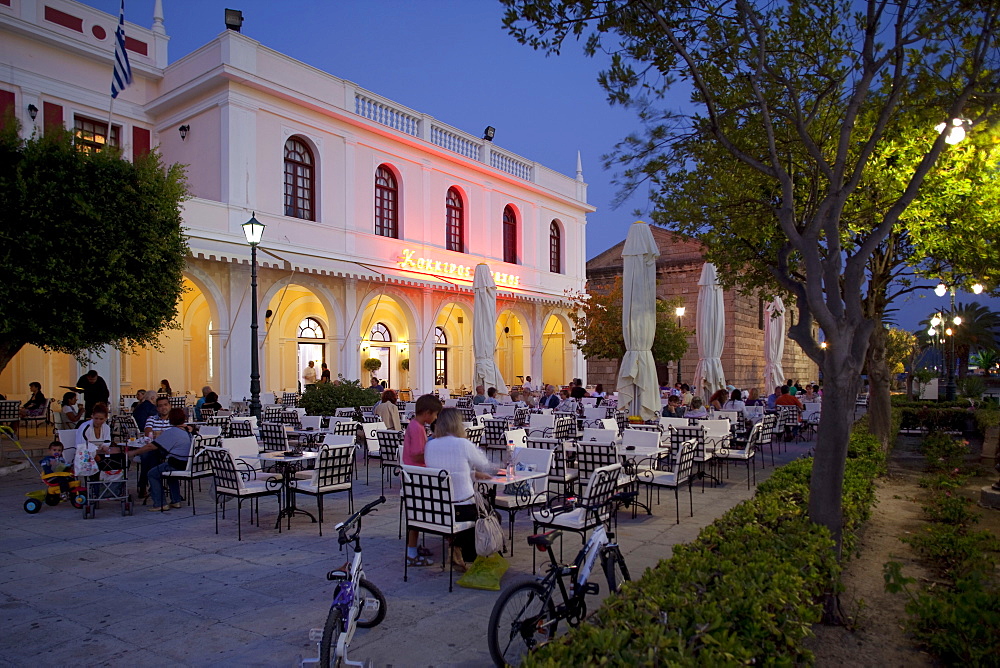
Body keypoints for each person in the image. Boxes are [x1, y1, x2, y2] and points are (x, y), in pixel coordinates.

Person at [424, 407, 494, 571]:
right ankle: (471, 555)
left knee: (477, 506)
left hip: (436, 508)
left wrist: (470, 473)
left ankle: (456, 545)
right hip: (461, 508)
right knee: (490, 512)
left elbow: (444, 472)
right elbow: (485, 464)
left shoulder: (430, 445)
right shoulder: (463, 444)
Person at [403, 394, 442, 567]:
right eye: (434, 415)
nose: (435, 418)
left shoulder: (414, 425)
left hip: (412, 474)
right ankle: (411, 553)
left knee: (416, 515)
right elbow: (417, 454)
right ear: (427, 413)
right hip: (417, 476)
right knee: (420, 515)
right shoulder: (418, 428)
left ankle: (413, 549)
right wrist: (433, 448)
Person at [129, 407, 193, 511]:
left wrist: (134, 452)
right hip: (186, 463)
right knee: (170, 476)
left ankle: (160, 503)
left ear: (171, 419)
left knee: (152, 474)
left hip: (176, 464)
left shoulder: (172, 431)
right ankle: (176, 500)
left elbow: (152, 446)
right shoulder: (187, 431)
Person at [138, 396, 173, 500]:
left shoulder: (173, 419)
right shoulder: (151, 418)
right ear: (157, 408)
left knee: (148, 456)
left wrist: (157, 434)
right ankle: (154, 486)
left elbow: (173, 435)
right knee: (147, 455)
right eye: (160, 406)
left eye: (165, 405)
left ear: (169, 406)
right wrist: (162, 434)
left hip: (167, 450)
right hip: (153, 447)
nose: (163, 408)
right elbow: (148, 432)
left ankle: (146, 486)